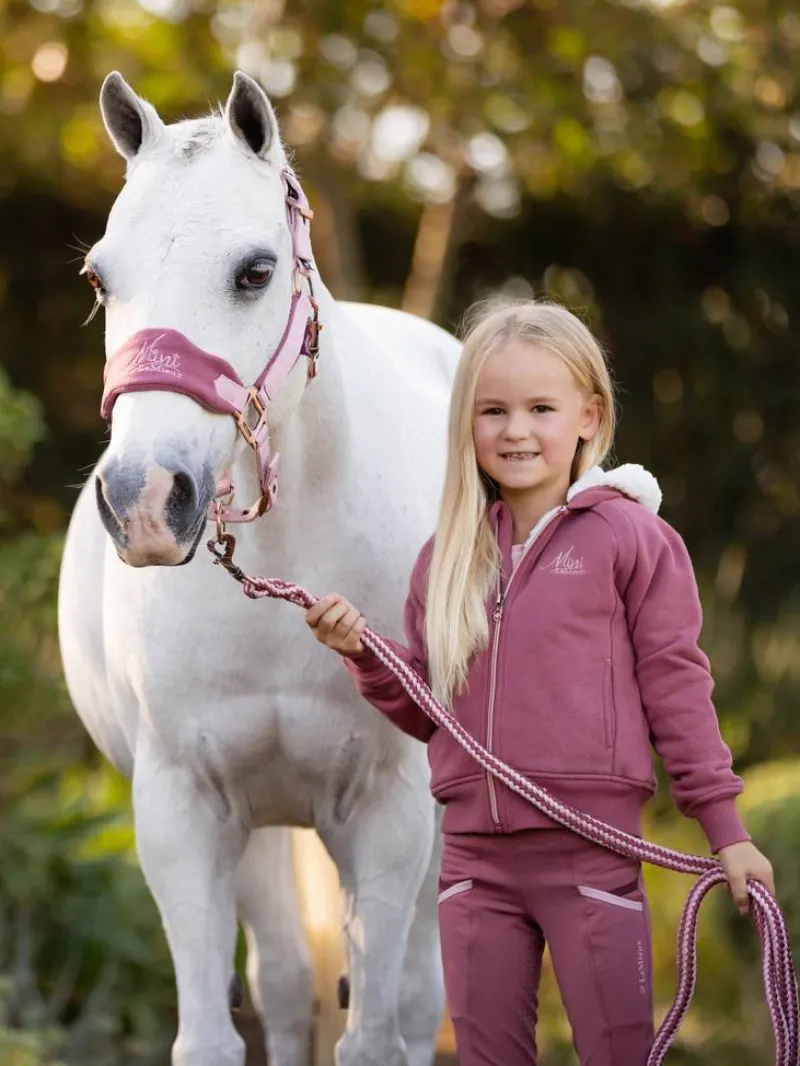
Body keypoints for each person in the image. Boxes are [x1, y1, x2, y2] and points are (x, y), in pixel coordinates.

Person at [304, 298, 774, 1066]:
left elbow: (676, 686)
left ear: (588, 415)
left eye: (540, 408)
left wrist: (727, 833)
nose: (515, 430)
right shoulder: (446, 559)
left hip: (590, 857)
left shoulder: (631, 539)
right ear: (467, 423)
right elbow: (430, 712)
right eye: (493, 410)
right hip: (472, 868)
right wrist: (365, 653)